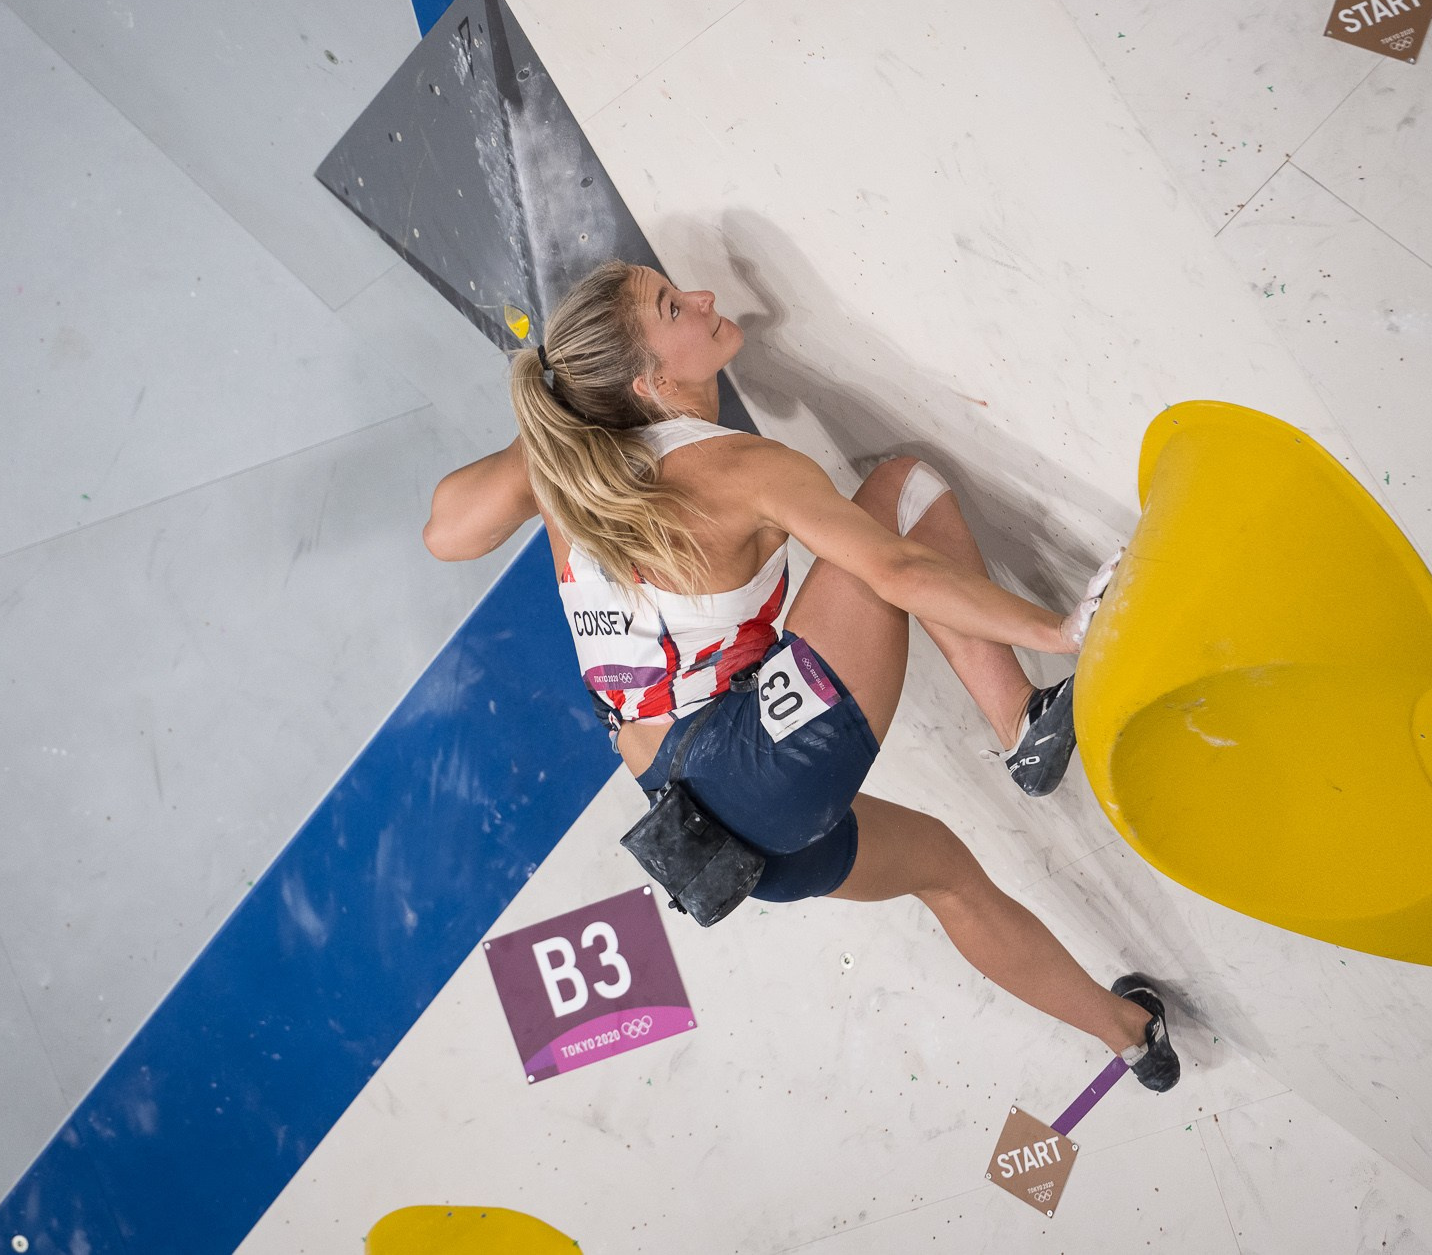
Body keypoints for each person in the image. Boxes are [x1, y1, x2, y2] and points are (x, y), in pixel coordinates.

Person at [423, 260, 1178, 1091]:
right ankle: (1018, 718)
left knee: (945, 872)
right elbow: (894, 568)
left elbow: (444, 534)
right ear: (648, 380)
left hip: (711, 843)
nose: (704, 298)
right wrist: (1057, 628)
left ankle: (1133, 1035)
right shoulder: (738, 470)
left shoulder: (568, 478)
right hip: (754, 768)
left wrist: (546, 425)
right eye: (676, 306)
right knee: (898, 489)